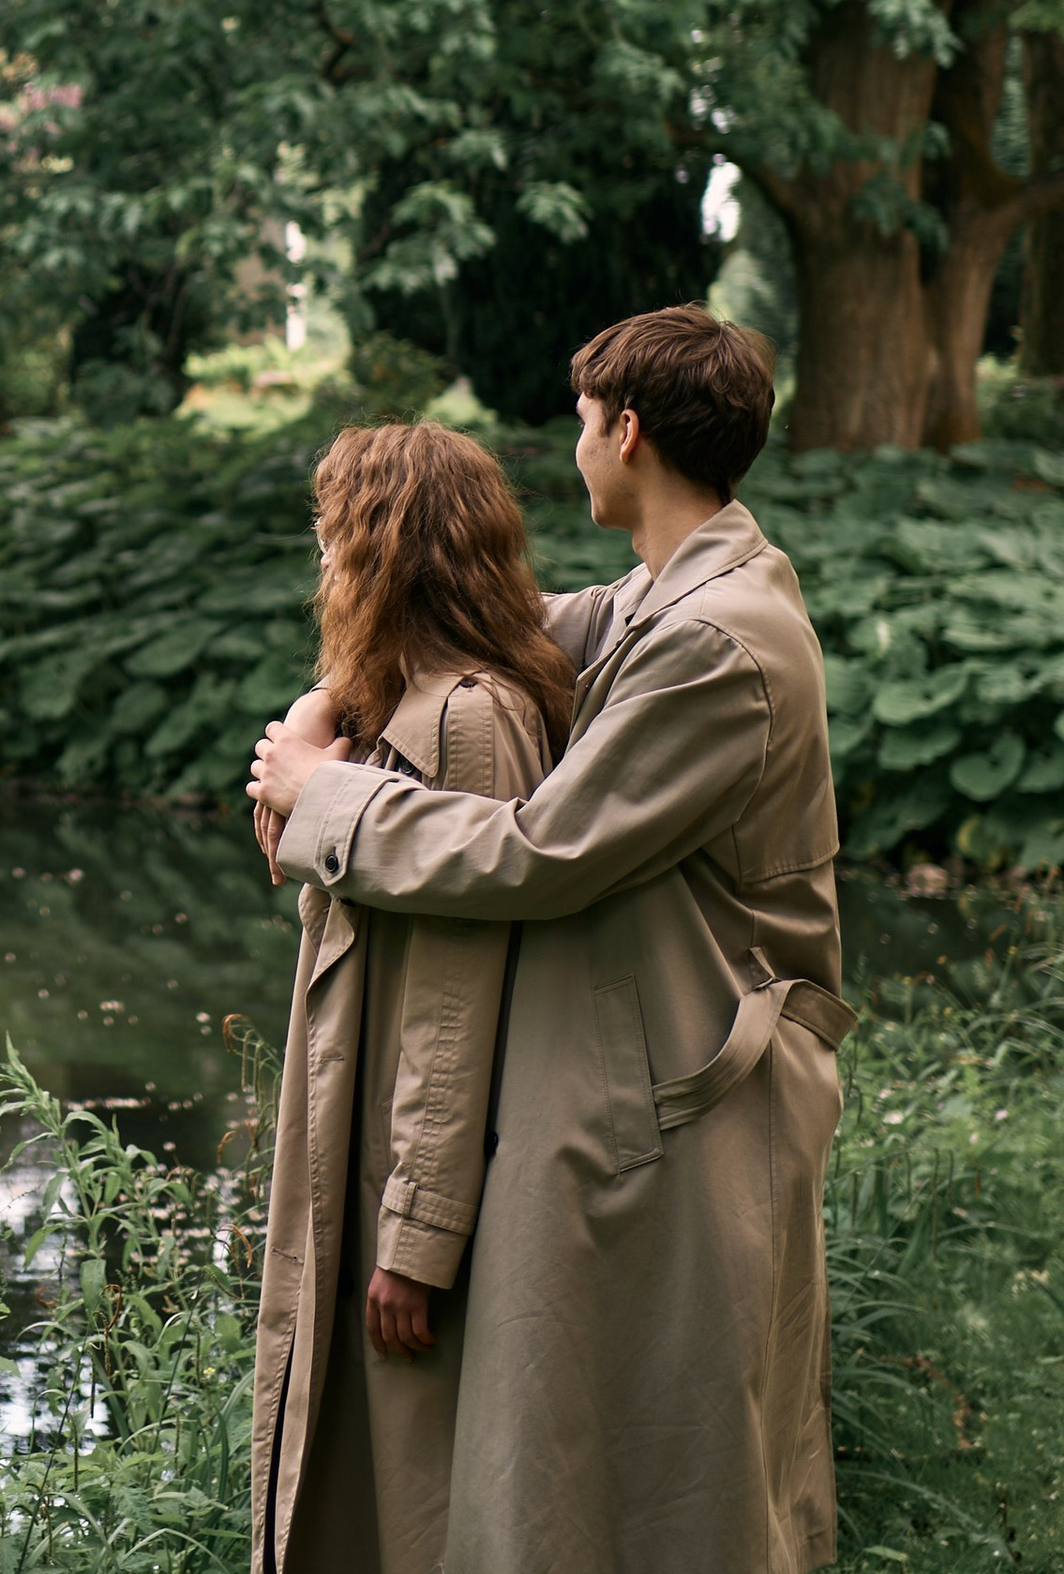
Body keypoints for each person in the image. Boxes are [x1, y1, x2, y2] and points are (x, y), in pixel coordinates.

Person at [249, 308, 853, 1574]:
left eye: (580, 424)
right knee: (588, 1462)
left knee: (670, 1466)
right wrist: (332, 695)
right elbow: (486, 615)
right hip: (642, 1080)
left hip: (694, 1095)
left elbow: (535, 849)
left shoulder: (715, 640)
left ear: (625, 433)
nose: (570, 449)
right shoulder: (655, 597)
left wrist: (322, 795)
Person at [250, 421, 571, 1574]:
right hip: (363, 1143)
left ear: (381, 555)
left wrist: (418, 1235)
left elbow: (454, 992)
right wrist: (321, 708)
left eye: (336, 540)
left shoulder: (466, 719)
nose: (322, 566)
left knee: (410, 1498)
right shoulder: (407, 700)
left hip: (402, 1169)